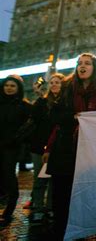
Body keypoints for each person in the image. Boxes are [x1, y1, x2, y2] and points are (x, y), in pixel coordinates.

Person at [46, 53, 96, 239]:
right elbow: (53, 116)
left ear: (94, 68)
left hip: (92, 154)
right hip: (66, 152)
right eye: (79, 64)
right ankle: (62, 231)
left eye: (87, 63)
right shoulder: (67, 88)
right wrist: (73, 117)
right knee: (62, 197)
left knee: (90, 195)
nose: (82, 66)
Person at [27, 73, 65, 222]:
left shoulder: (65, 104)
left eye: (58, 82)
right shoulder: (42, 102)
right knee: (39, 179)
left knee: (53, 180)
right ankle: (37, 207)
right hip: (39, 148)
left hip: (58, 148)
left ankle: (50, 208)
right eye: (52, 82)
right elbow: (33, 122)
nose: (54, 85)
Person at [0, 75, 32, 225]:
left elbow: (30, 125)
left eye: (13, 86)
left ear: (18, 88)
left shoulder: (24, 106)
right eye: (7, 85)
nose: (9, 88)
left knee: (9, 174)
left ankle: (10, 208)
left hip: (11, 147)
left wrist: (17, 139)